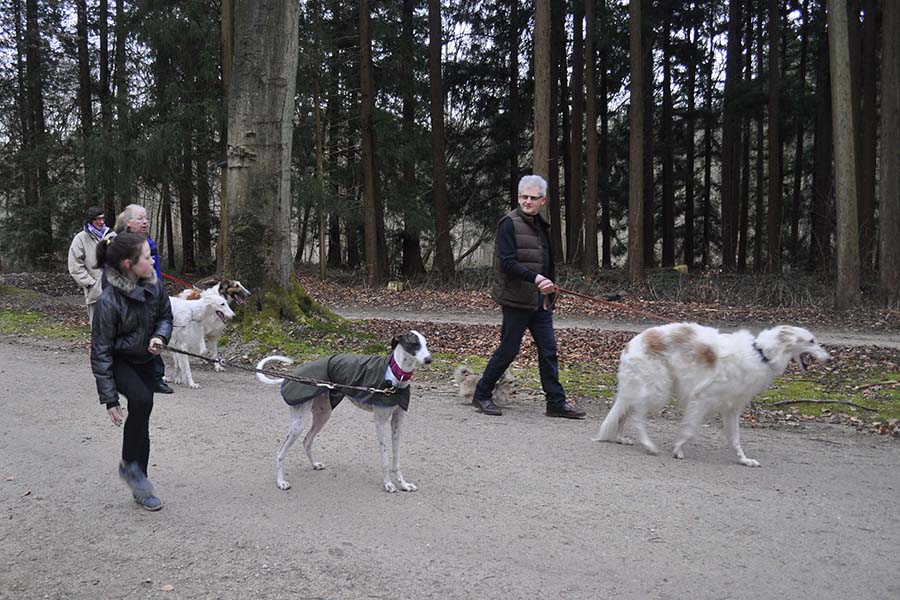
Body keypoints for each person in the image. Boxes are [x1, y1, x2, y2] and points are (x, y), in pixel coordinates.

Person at [471, 175, 586, 419]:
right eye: (524, 196)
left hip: (540, 302)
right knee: (508, 350)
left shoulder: (542, 225)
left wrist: (549, 286)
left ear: (543, 200)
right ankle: (481, 394)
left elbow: (546, 262)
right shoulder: (508, 224)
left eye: (533, 198)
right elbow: (507, 262)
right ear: (518, 197)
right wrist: (536, 279)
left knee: (548, 350)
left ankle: (556, 403)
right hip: (516, 300)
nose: (528, 201)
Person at [90, 232, 174, 511]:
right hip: (120, 362)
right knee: (141, 400)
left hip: (146, 361)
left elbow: (165, 317)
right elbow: (101, 352)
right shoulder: (108, 302)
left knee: (142, 418)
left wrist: (160, 337)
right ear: (129, 265)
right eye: (147, 257)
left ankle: (141, 483)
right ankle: (129, 465)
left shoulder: (155, 286)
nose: (153, 261)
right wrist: (110, 399)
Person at [114, 204, 174, 394]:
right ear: (128, 223)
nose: (145, 222)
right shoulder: (119, 244)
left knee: (154, 335)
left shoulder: (150, 243)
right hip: (129, 298)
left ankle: (156, 378)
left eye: (146, 218)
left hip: (152, 295)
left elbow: (155, 271)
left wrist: (158, 290)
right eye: (140, 218)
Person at [67, 207, 113, 326]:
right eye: (98, 219)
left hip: (115, 290)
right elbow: (75, 266)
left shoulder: (112, 236)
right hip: (96, 292)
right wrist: (90, 283)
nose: (101, 222)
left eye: (102, 218)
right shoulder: (80, 239)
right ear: (90, 220)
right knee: (97, 327)